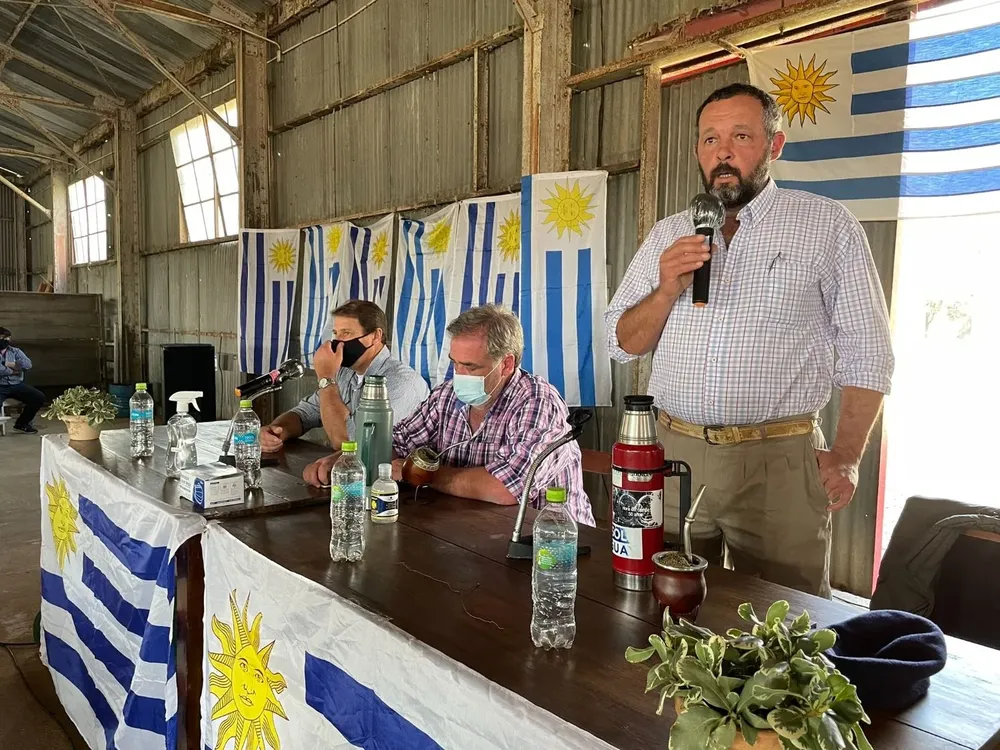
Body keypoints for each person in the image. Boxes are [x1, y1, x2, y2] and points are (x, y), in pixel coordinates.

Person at [604, 83, 894, 598]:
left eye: (740, 136)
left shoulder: (827, 226)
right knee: (660, 601)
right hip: (673, 453)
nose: (723, 152)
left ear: (774, 145)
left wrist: (847, 455)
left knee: (787, 614)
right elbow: (620, 342)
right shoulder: (669, 235)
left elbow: (868, 352)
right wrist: (666, 289)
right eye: (710, 139)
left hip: (777, 460)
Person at [303, 305, 595, 526]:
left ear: (506, 364)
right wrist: (350, 460)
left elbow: (505, 489)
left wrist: (420, 474)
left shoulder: (538, 402)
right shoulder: (447, 396)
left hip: (549, 543)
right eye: (455, 363)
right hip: (468, 530)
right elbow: (398, 442)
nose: (460, 375)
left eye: (471, 366)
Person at [263, 301, 428, 468]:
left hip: (395, 478)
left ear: (376, 336)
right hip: (351, 472)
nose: (338, 342)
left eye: (346, 333)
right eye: (336, 334)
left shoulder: (402, 383)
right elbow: (306, 413)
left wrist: (326, 379)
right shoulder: (345, 372)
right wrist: (276, 431)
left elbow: (349, 444)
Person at [0, 326, 45, 435]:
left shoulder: (15, 351)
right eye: (2, 338)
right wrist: (14, 370)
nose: (6, 340)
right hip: (0, 386)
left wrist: (10, 364)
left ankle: (22, 424)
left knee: (38, 397)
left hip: (16, 385)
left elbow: (28, 364)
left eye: (7, 338)